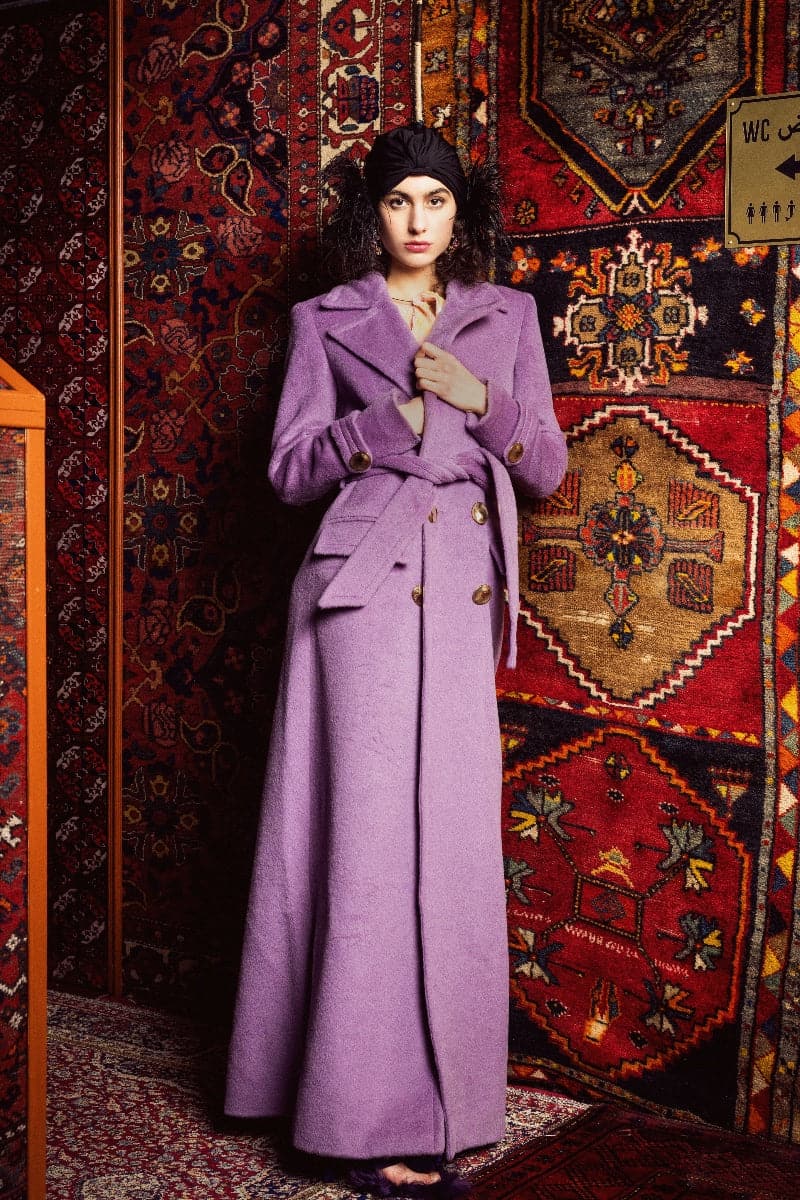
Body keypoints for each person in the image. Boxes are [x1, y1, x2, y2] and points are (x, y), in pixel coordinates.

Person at [224, 124, 567, 1197]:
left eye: (436, 200)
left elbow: (547, 467)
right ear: (369, 213)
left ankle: (445, 1106)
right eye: (397, 201)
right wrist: (387, 421)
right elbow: (288, 471)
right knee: (362, 846)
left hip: (458, 596)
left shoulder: (506, 317)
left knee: (448, 849)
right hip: (357, 597)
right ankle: (349, 1121)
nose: (417, 221)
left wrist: (478, 401)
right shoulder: (322, 320)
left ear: (462, 213)